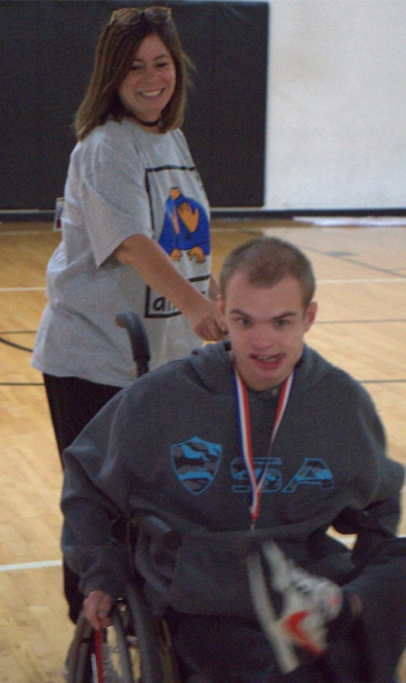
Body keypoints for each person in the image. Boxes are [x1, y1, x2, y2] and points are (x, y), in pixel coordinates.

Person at [61, 237, 406, 683]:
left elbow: (379, 503)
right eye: (244, 320)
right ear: (220, 313)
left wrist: (365, 588)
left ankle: (342, 613)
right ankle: (337, 645)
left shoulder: (338, 401)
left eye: (281, 322)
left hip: (306, 584)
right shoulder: (163, 398)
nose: (263, 342)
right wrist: (102, 573)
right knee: (287, 667)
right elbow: (86, 480)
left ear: (308, 318)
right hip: (202, 596)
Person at [31, 6, 225, 622]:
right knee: (99, 508)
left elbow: (185, 244)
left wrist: (219, 298)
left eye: (161, 63)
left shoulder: (170, 139)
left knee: (159, 505)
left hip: (157, 360)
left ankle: (149, 623)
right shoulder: (105, 147)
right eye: (135, 66)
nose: (151, 77)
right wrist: (197, 307)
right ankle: (89, 636)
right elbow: (134, 243)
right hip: (93, 358)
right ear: (111, 76)